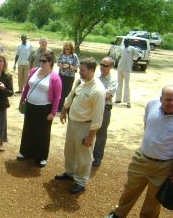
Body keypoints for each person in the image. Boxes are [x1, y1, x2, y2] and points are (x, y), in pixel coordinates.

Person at [106, 85, 173, 218]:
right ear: (161, 99)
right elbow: (146, 125)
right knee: (129, 190)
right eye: (168, 99)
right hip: (141, 159)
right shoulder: (152, 104)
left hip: (163, 166)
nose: (171, 103)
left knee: (153, 200)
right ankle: (118, 215)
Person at [55, 57, 105, 193]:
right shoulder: (80, 82)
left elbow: (98, 117)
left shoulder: (98, 90)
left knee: (84, 156)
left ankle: (80, 181)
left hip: (85, 126)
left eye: (82, 70)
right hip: (73, 123)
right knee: (69, 150)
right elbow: (71, 96)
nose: (79, 72)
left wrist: (90, 137)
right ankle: (70, 172)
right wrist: (64, 110)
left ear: (91, 70)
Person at [17, 51, 62, 167]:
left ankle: (41, 156)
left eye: (44, 61)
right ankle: (25, 152)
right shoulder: (33, 71)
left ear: (51, 62)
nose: (41, 63)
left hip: (45, 109)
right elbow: (27, 87)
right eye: (40, 60)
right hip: (31, 106)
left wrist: (53, 112)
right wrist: (21, 100)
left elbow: (57, 97)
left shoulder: (55, 78)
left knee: (42, 133)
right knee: (28, 129)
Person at [92, 56, 117, 167]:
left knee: (101, 135)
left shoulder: (113, 80)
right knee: (88, 130)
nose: (102, 67)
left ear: (111, 67)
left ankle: (97, 157)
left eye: (105, 65)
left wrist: (94, 94)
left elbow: (107, 95)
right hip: (92, 108)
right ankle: (87, 155)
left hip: (104, 110)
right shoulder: (95, 77)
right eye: (101, 64)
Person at [115, 39, 139, 108]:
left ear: (129, 42)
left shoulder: (132, 49)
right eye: (125, 42)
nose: (125, 43)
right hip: (120, 68)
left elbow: (138, 56)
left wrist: (134, 63)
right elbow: (118, 56)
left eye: (127, 42)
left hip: (127, 69)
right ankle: (118, 99)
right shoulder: (122, 48)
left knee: (127, 85)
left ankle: (128, 101)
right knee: (119, 83)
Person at [57, 42, 79, 111]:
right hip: (61, 75)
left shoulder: (74, 56)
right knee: (60, 91)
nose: (66, 50)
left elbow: (76, 67)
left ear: (71, 49)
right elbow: (57, 63)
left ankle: (65, 107)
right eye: (65, 49)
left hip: (69, 76)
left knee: (67, 92)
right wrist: (60, 65)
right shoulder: (61, 54)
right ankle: (59, 107)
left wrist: (69, 66)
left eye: (68, 49)